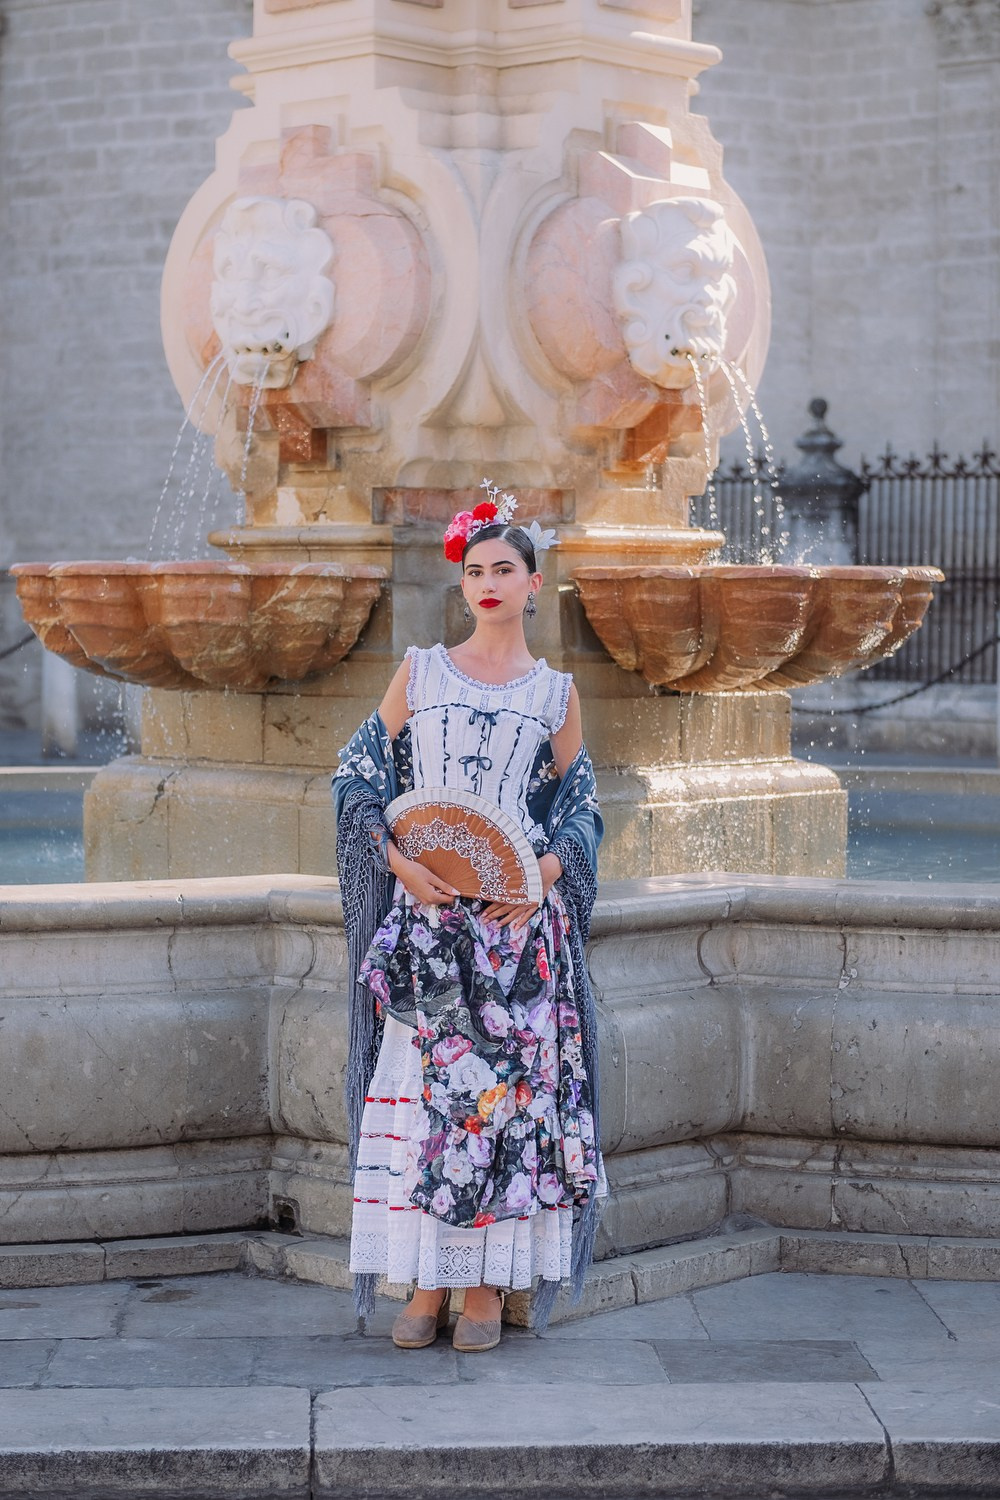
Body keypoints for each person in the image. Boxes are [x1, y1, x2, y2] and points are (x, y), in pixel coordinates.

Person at [333, 482, 604, 1352]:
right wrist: (401, 864)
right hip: (432, 927)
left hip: (517, 934)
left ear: (534, 584)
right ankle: (420, 1283)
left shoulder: (555, 693)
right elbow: (356, 776)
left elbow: (583, 809)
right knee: (425, 1098)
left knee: (504, 1107)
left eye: (506, 570)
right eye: (476, 570)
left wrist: (545, 874)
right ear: (465, 586)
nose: (488, 583)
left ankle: (485, 1290)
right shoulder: (420, 671)